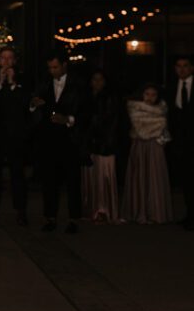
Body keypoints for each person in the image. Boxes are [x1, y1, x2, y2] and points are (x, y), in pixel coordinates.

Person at [30, 52, 86, 233]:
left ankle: (74, 219)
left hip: (70, 140)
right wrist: (34, 105)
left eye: (55, 67)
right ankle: (50, 217)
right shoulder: (44, 83)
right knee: (50, 180)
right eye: (50, 67)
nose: (52, 71)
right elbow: (34, 106)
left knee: (72, 180)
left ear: (64, 65)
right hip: (49, 139)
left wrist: (68, 119)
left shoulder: (78, 84)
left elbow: (86, 111)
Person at [0, 45, 30, 225]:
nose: (7, 62)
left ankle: (21, 211)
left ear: (15, 60)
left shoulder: (23, 78)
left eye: (10, 58)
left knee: (18, 174)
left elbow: (26, 103)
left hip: (16, 136)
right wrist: (0, 84)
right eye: (3, 58)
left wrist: (14, 84)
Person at [121, 84, 173, 224]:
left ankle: (155, 212)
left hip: (155, 145)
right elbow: (139, 126)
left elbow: (163, 124)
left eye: (153, 94)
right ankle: (139, 211)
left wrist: (157, 124)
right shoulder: (134, 106)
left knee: (154, 176)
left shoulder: (162, 107)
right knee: (140, 177)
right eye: (147, 94)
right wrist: (157, 123)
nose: (150, 97)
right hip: (139, 146)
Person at [81, 69, 121, 223]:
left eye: (100, 79)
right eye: (94, 79)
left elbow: (111, 122)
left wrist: (106, 141)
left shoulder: (110, 98)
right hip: (90, 143)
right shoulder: (86, 97)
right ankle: (91, 209)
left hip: (105, 144)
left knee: (104, 176)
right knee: (90, 177)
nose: (97, 83)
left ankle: (105, 209)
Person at [168, 56, 194, 230]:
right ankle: (190, 215)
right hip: (181, 143)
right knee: (186, 179)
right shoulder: (171, 87)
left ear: (192, 68)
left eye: (185, 66)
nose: (182, 69)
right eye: (179, 66)